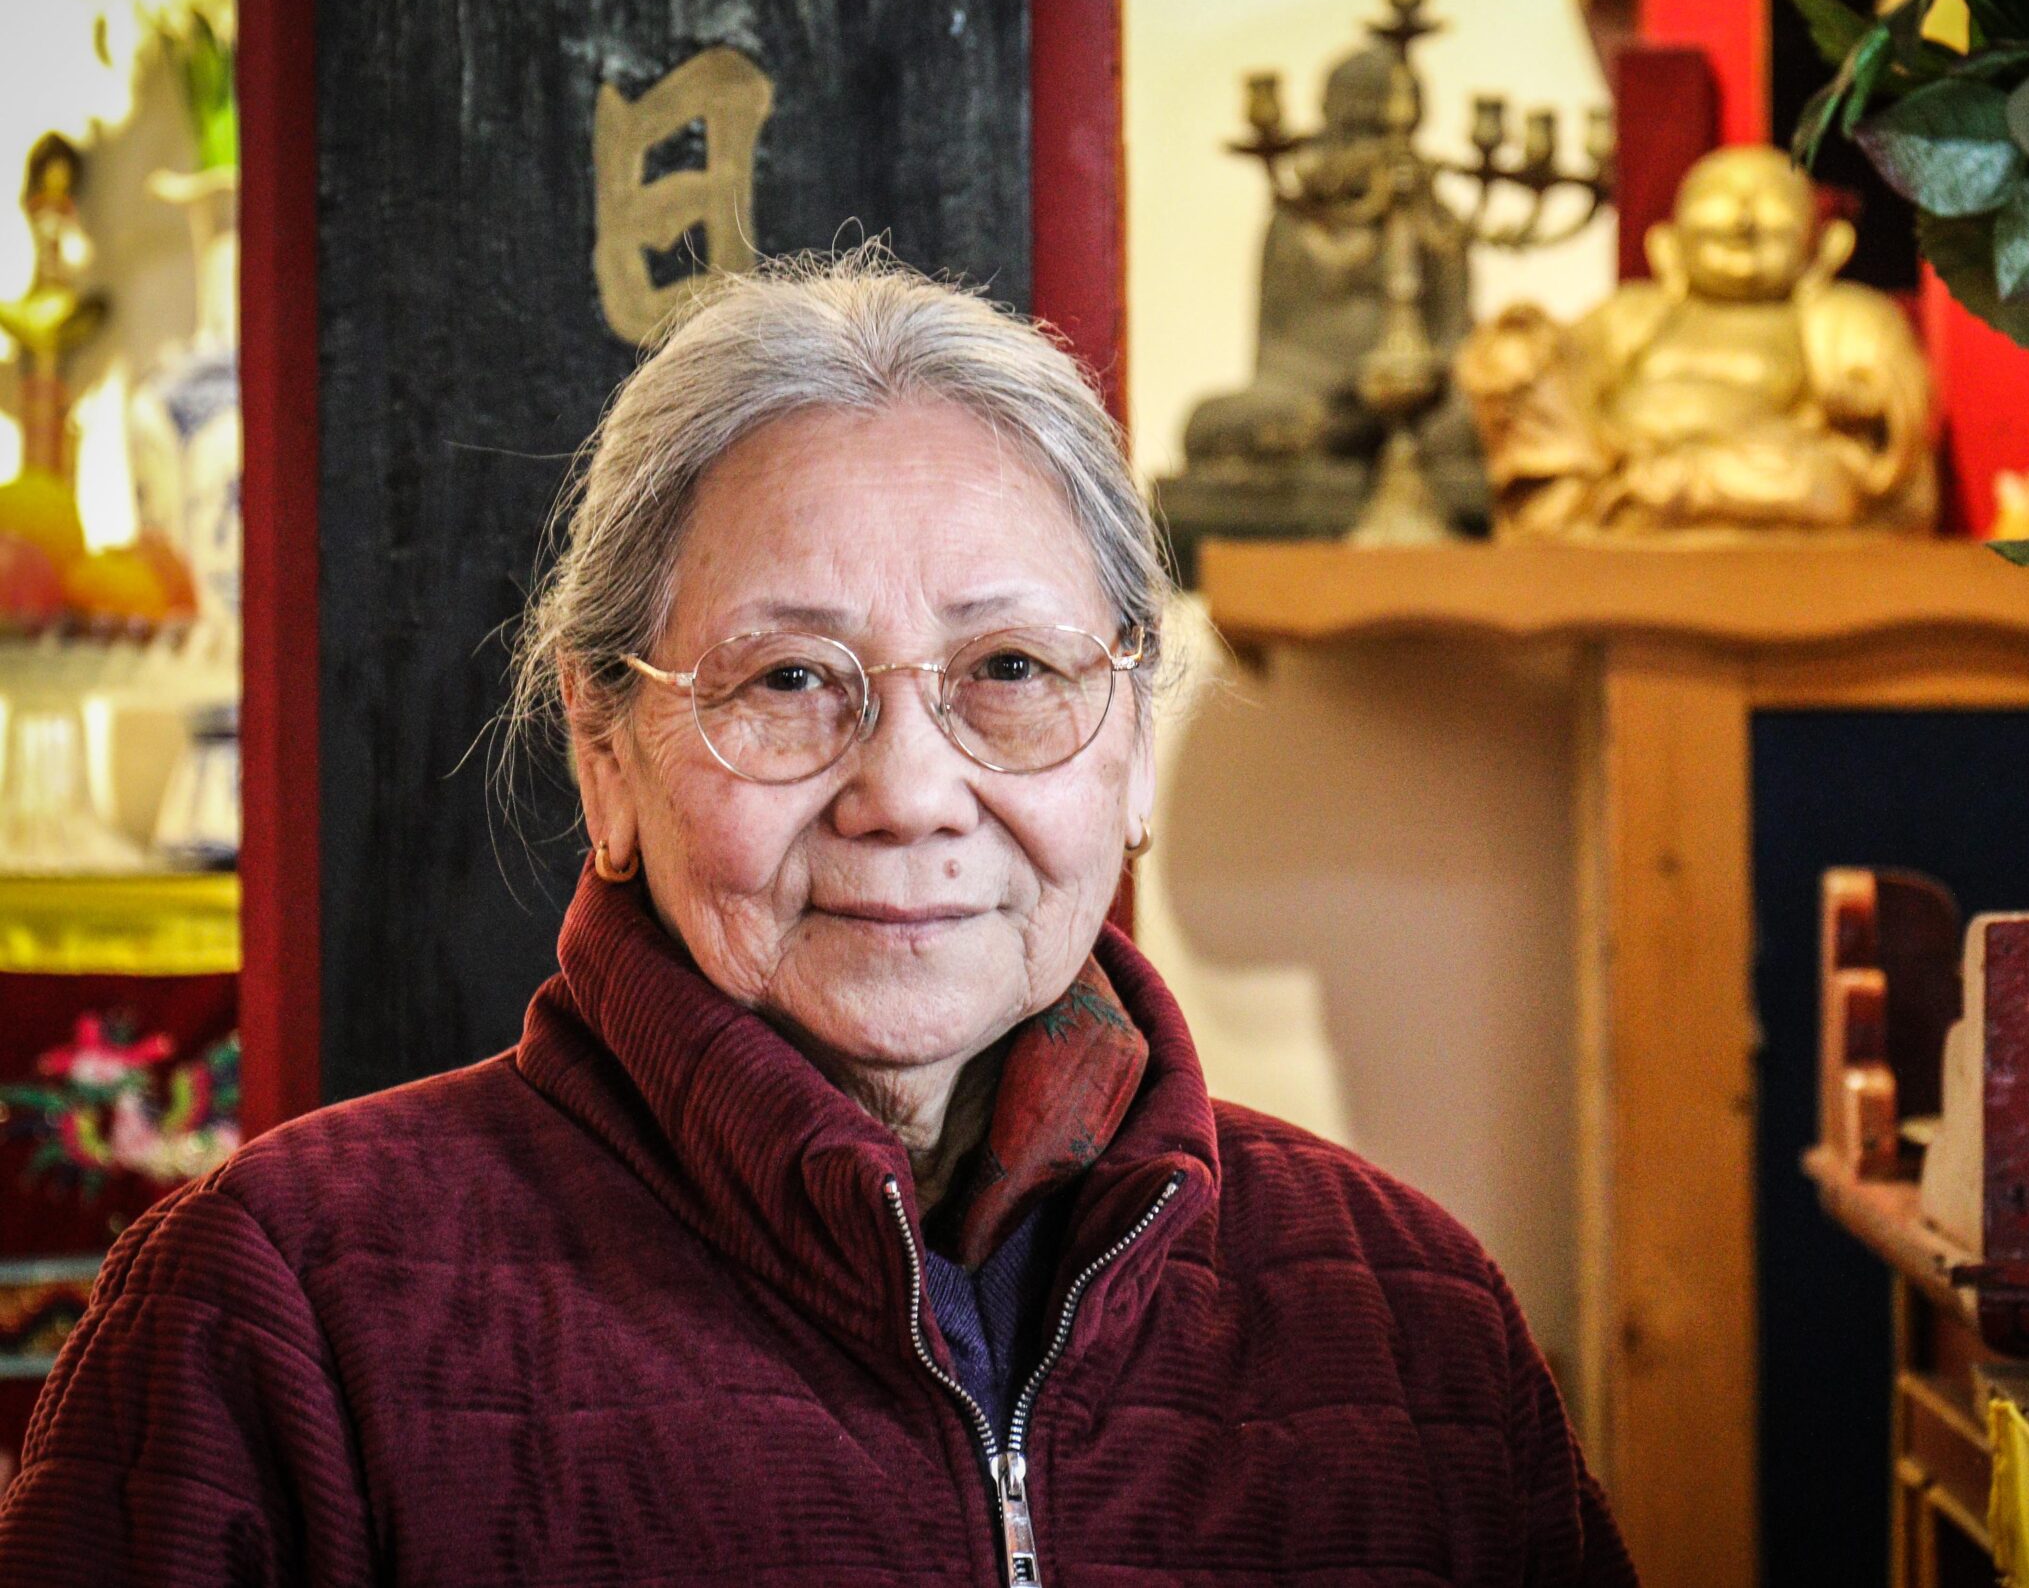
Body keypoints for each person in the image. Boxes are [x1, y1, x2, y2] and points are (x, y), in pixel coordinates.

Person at [0, 251, 1630, 1586]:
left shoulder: (1414, 1326)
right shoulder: (277, 1314)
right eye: (790, 681)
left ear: (1130, 743)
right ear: (605, 753)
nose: (908, 793)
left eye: (1011, 674)